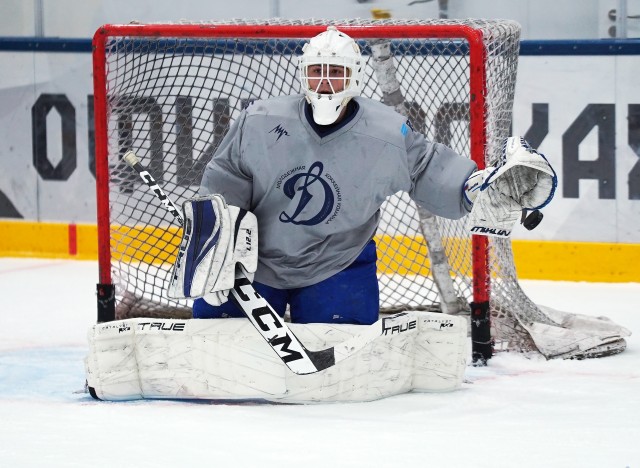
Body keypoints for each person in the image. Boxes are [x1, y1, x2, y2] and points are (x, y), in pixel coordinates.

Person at [188, 26, 553, 325]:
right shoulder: (261, 120)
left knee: (344, 357)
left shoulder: (388, 132)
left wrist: (473, 188)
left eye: (336, 72)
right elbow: (225, 177)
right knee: (216, 344)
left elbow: (426, 168)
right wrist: (216, 245)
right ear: (303, 74)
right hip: (253, 262)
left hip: (337, 261)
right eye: (317, 71)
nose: (326, 82)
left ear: (355, 75)